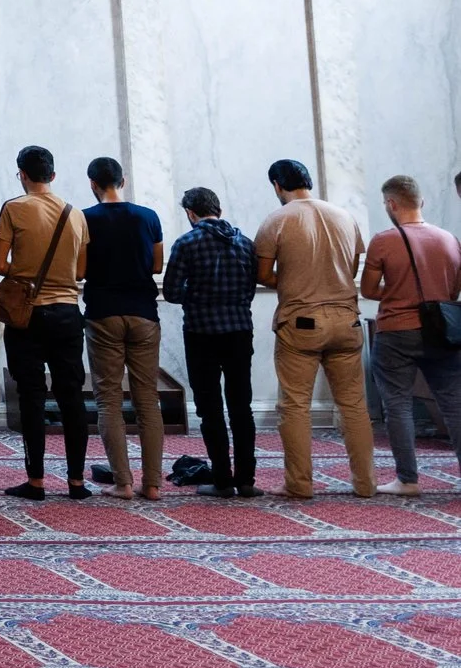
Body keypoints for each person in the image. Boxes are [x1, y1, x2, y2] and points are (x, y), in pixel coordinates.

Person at [254, 157, 376, 499]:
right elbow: (351, 266)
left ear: (277, 186)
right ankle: (365, 484)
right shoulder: (344, 216)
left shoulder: (277, 219)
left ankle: (300, 484)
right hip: (346, 318)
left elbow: (263, 274)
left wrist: (293, 280)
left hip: (301, 322)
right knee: (353, 406)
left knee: (294, 406)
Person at [0, 144, 92, 500]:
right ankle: (77, 481)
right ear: (53, 174)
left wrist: (24, 270)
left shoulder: (14, 208)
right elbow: (81, 271)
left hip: (28, 314)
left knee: (31, 397)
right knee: (71, 397)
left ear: (22, 174)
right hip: (67, 313)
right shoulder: (76, 214)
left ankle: (35, 481)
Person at [360, 174, 461, 497]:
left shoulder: (384, 240)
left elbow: (368, 289)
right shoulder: (448, 239)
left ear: (391, 204)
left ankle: (407, 479)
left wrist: (399, 293)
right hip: (442, 331)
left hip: (396, 332)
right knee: (455, 405)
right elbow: (453, 290)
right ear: (422, 202)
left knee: (397, 405)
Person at [162, 186, 259, 495]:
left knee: (210, 409)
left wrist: (199, 293)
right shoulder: (245, 243)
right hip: (240, 331)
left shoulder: (187, 243)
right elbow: (250, 290)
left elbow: (173, 292)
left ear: (191, 213)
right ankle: (246, 480)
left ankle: (222, 480)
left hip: (201, 333)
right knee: (241, 407)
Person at [81, 155, 166, 500]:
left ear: (93, 184)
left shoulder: (85, 219)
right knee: (148, 399)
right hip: (144, 312)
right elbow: (157, 265)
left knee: (109, 400)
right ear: (123, 181)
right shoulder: (149, 217)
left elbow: (80, 270)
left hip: (103, 313)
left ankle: (123, 483)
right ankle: (154, 484)